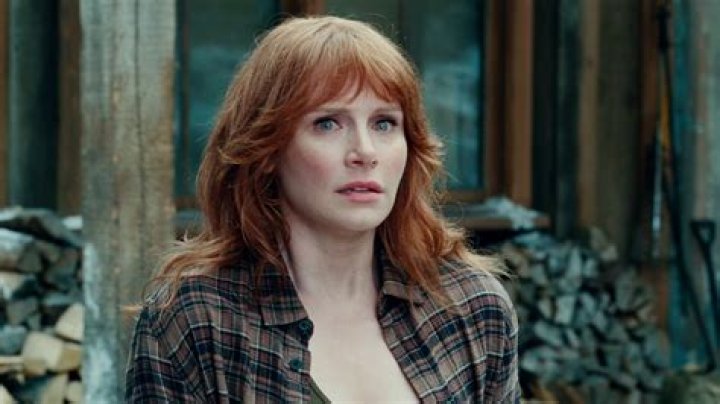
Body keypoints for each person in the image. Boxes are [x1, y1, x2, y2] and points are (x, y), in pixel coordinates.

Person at [125, 15, 520, 403]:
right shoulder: (196, 320)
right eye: (328, 123)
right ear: (267, 149)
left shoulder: (471, 306)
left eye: (384, 123)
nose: (365, 152)